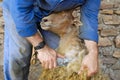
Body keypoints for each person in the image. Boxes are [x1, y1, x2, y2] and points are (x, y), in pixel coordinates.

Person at [2, 0, 101, 80]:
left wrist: (92, 53)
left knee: (61, 58)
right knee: (18, 56)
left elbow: (90, 17)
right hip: (19, 11)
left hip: (51, 15)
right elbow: (20, 10)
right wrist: (41, 48)